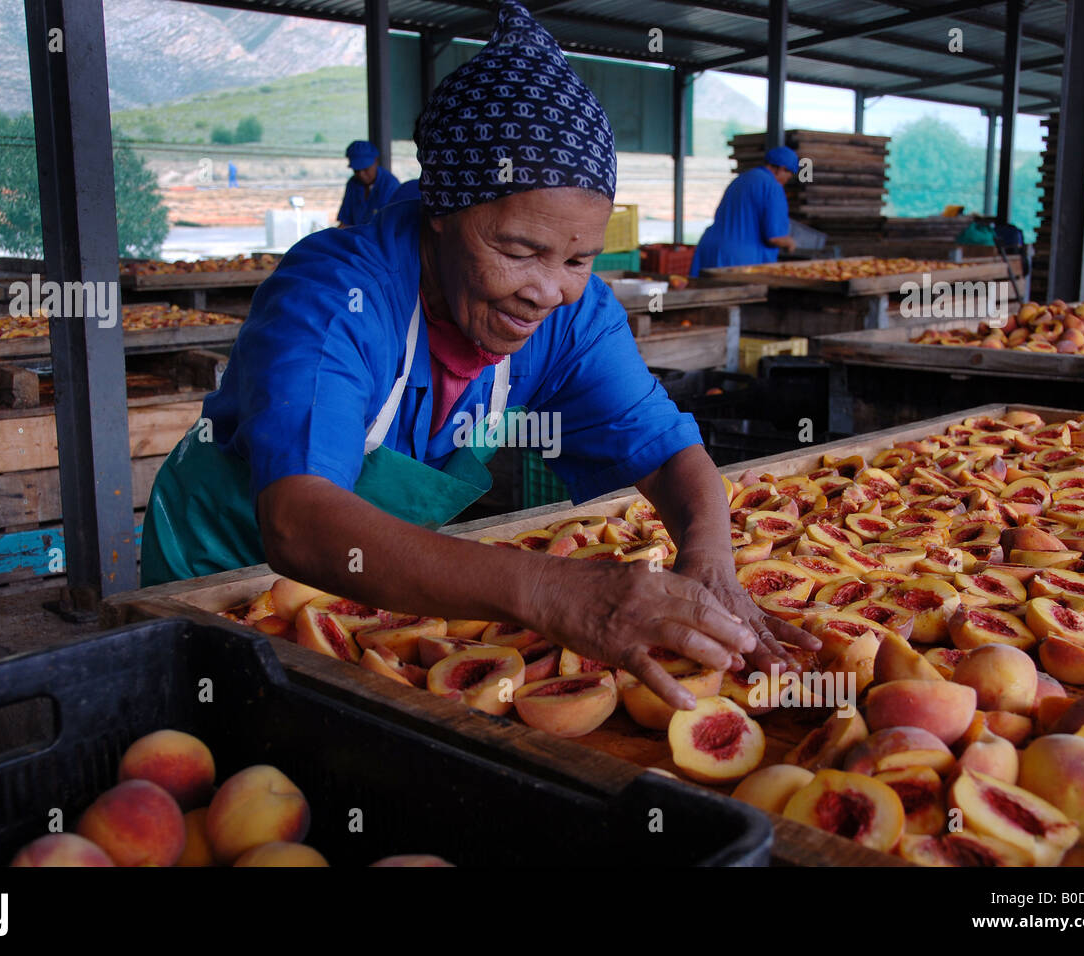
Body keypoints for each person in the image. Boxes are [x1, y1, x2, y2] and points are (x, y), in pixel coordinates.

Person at [141, 0, 817, 709]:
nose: (548, 290)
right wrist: (551, 592)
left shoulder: (574, 315)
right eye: (518, 251)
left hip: (374, 586)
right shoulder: (338, 295)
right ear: (439, 213)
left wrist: (709, 558)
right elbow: (300, 522)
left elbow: (667, 448)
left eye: (580, 257)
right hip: (220, 572)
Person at [690, 146, 801, 276]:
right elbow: (774, 237)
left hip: (709, 249)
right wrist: (791, 243)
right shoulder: (772, 186)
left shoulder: (740, 179)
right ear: (781, 169)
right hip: (738, 259)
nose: (786, 180)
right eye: (789, 175)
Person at [336, 140, 400, 226]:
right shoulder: (352, 184)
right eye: (357, 170)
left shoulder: (390, 185)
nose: (361, 174)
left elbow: (392, 225)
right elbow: (345, 222)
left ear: (376, 161)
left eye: (365, 169)